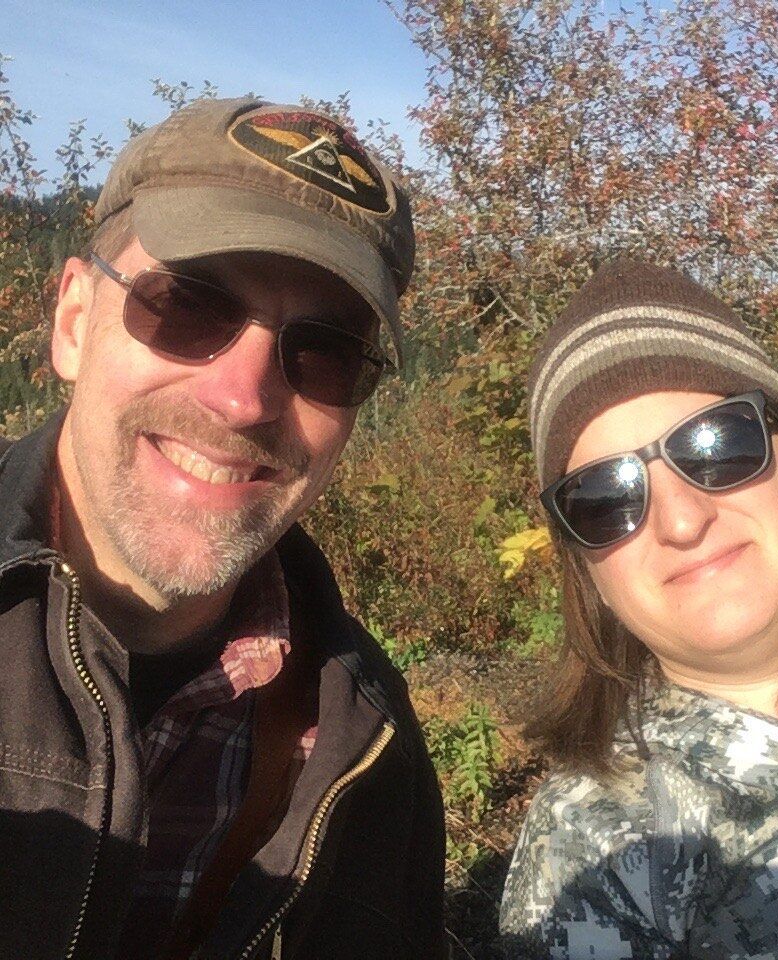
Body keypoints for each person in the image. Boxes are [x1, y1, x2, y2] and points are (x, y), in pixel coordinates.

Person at [0, 97, 446, 960]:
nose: (243, 399)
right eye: (188, 305)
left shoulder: (368, 749)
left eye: (325, 352)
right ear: (72, 322)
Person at [499, 260, 778, 959]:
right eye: (603, 496)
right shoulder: (594, 855)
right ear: (583, 567)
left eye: (715, 444)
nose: (680, 520)